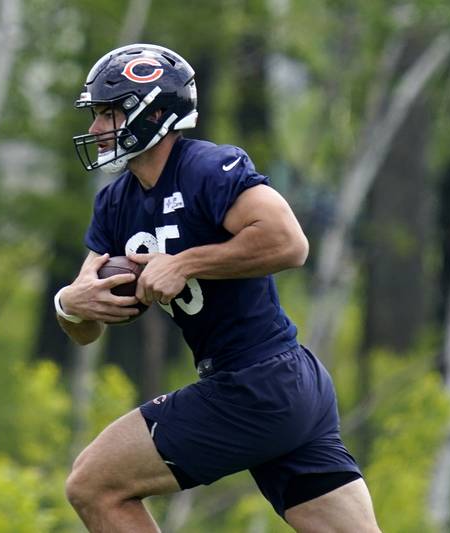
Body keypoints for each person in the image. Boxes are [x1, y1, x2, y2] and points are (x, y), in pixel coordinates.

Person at [56, 43, 380, 533]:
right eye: (97, 115)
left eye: (109, 113)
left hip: (256, 381)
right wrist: (70, 305)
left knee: (92, 485)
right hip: (285, 386)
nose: (99, 128)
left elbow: (290, 243)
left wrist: (185, 263)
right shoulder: (115, 204)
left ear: (156, 112)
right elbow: (86, 324)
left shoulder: (207, 167)